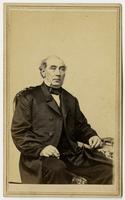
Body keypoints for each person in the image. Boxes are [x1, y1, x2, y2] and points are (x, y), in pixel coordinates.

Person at [11, 55, 113, 184]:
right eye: (53, 68)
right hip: (40, 157)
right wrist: (41, 149)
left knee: (108, 170)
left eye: (62, 69)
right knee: (57, 169)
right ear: (43, 72)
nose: (58, 73)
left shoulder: (70, 99)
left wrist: (91, 136)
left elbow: (80, 126)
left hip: (71, 155)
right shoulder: (28, 98)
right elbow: (19, 132)